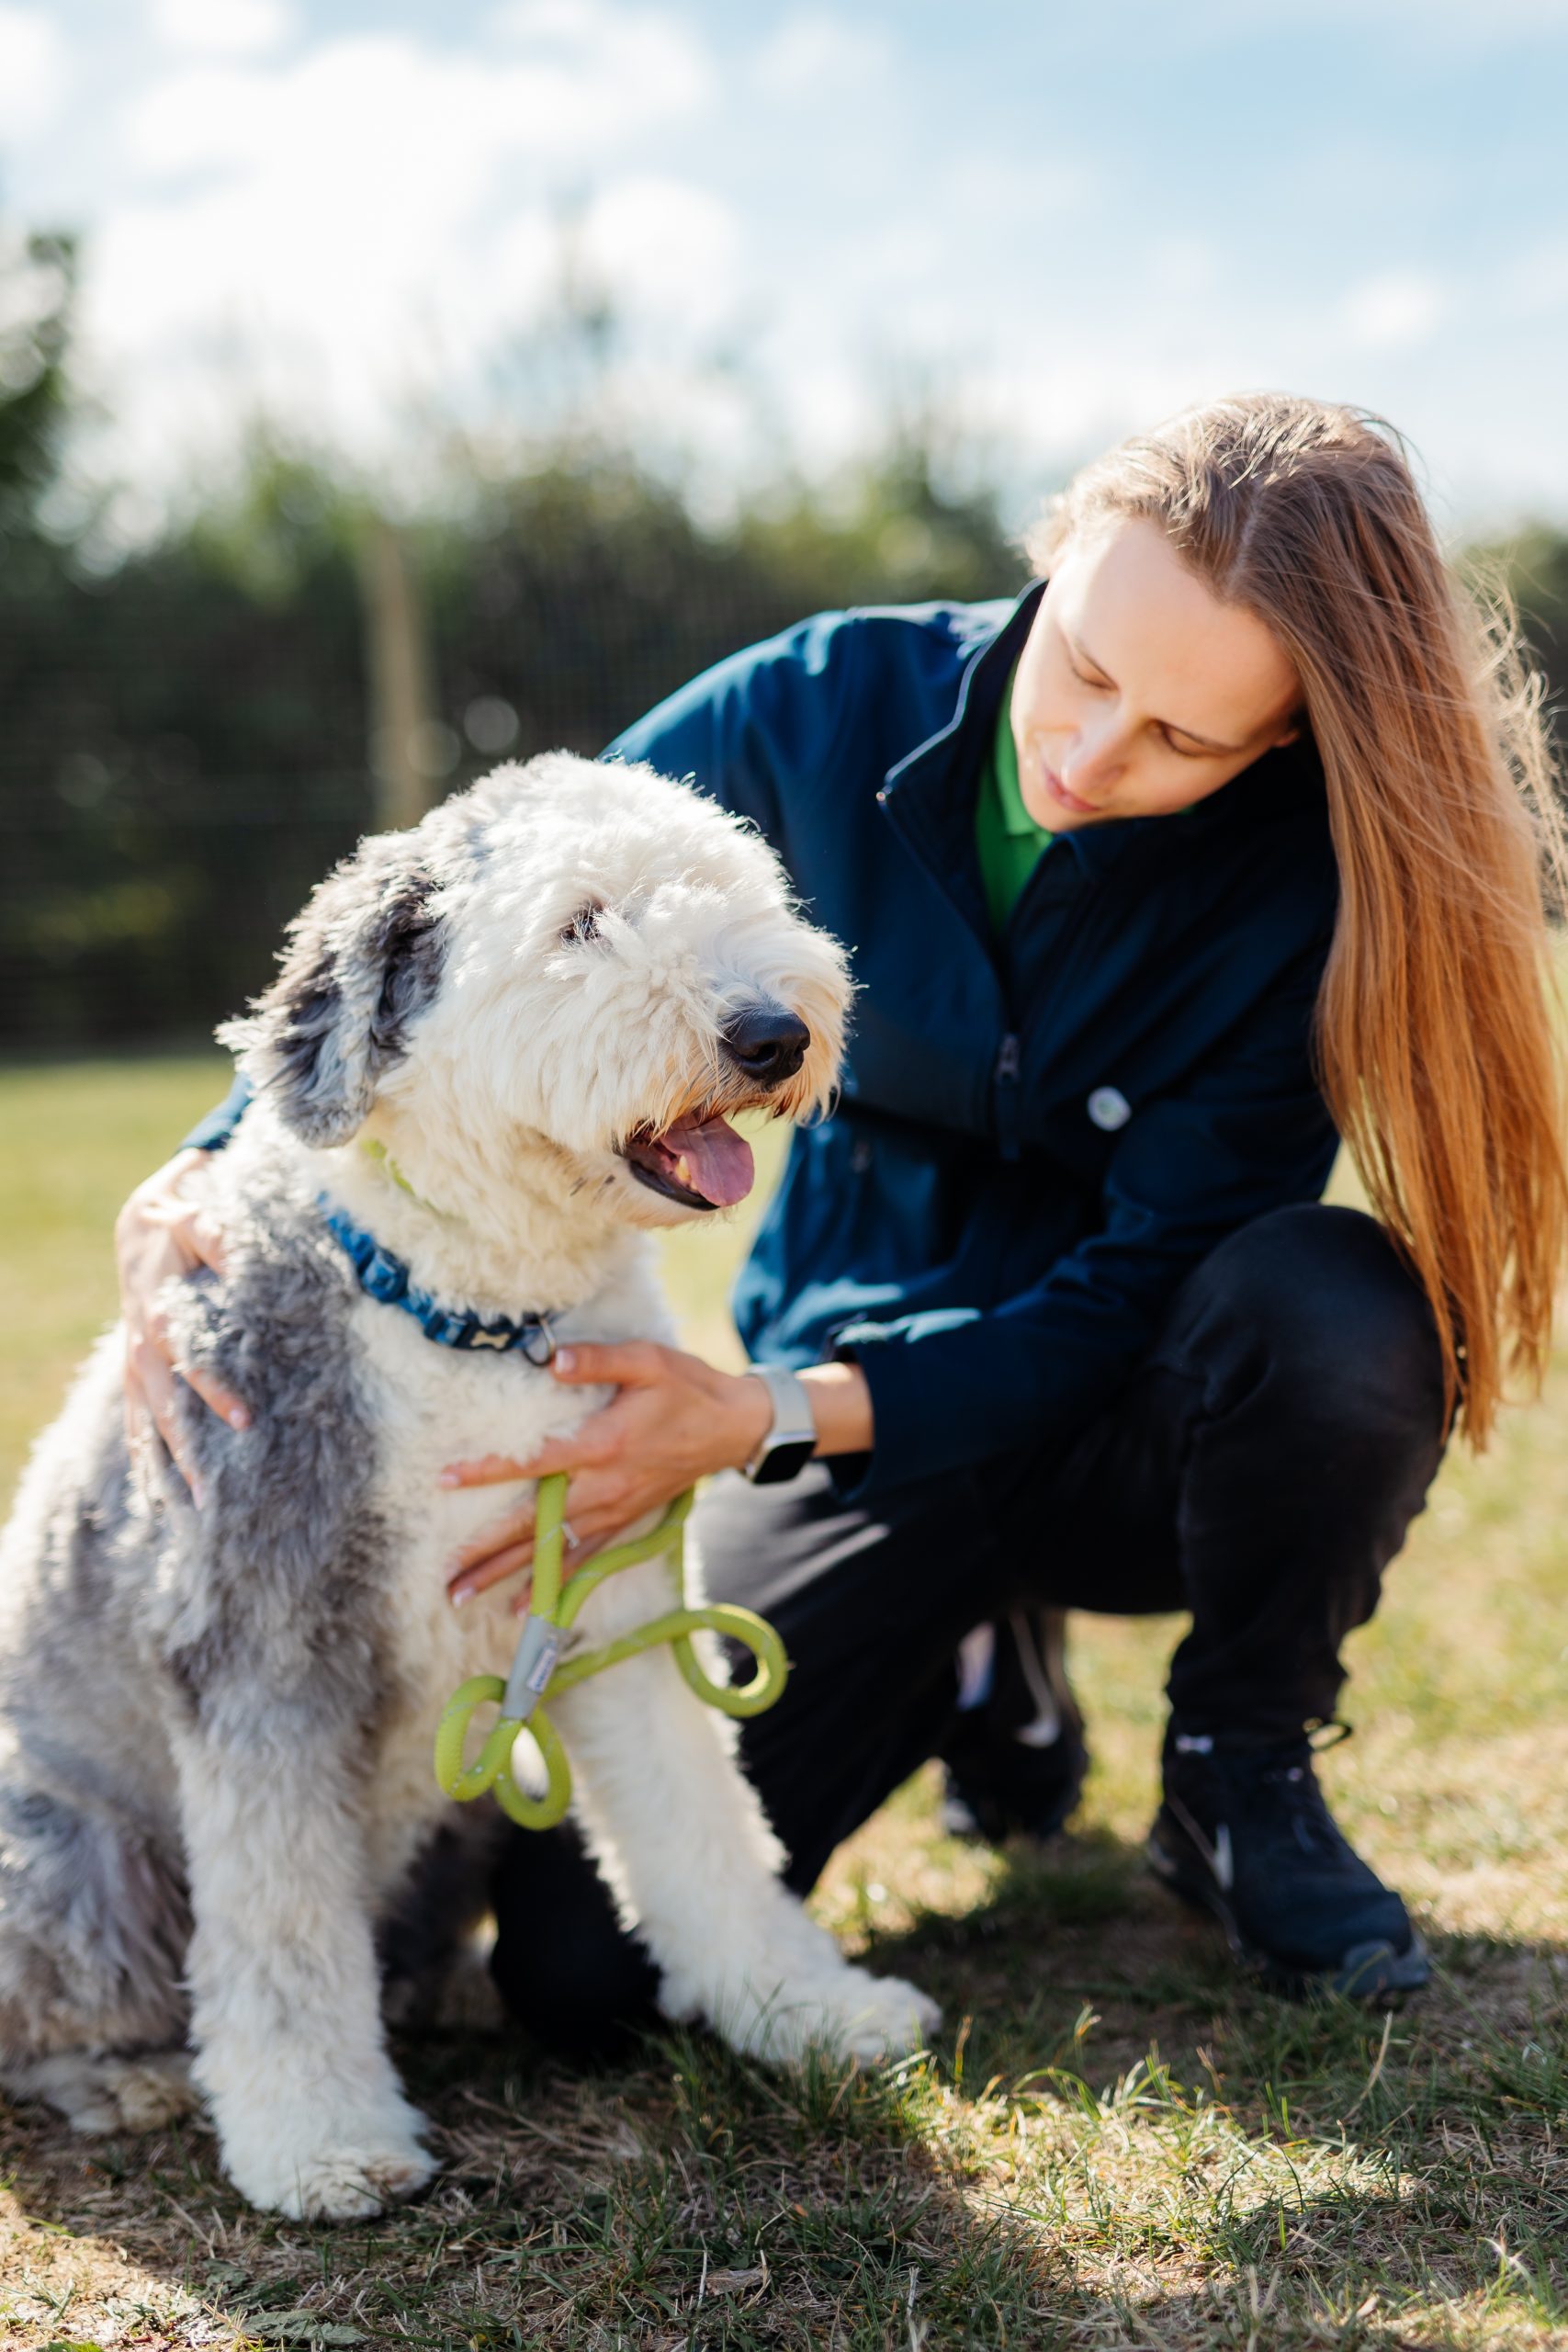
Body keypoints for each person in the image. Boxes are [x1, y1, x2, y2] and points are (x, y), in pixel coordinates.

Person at [118, 393, 1567, 2033]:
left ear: (1290, 736)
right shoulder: (810, 704)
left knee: (1340, 1304)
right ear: (1055, 552)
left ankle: (1241, 1763)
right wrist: (206, 1165)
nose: (1090, 757)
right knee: (584, 1983)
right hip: (841, 1431)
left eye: (1185, 737)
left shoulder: (1313, 892)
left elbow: (1127, 1291)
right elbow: (469, 894)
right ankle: (974, 1661)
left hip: (1114, 1420)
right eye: (1085, 669)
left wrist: (748, 1416)